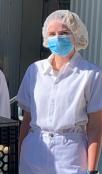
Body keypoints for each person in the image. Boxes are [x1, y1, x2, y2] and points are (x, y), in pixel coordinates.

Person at [17, 10, 102, 174]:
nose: (57, 38)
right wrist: (18, 155)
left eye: (64, 33)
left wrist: (92, 170)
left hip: (71, 154)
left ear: (76, 36)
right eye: (52, 34)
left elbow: (95, 127)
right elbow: (27, 120)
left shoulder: (92, 74)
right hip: (33, 150)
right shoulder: (35, 70)